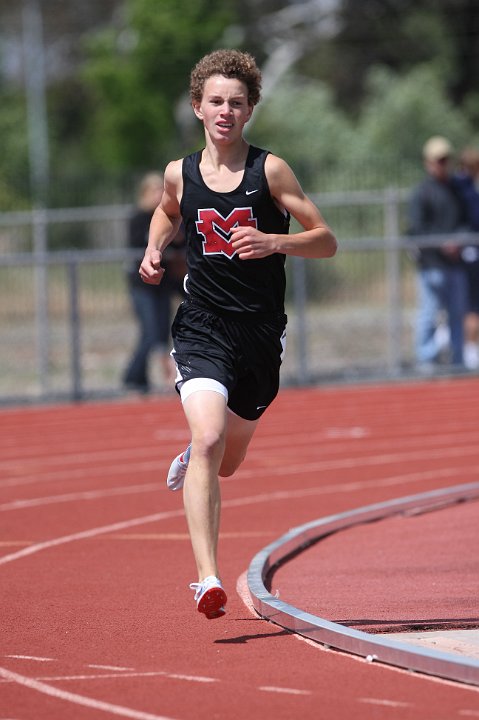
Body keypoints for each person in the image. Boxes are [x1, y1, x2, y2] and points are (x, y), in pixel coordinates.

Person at [139, 49, 337, 619]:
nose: (225, 111)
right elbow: (167, 211)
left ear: (249, 110)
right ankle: (207, 579)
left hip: (258, 333)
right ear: (198, 107)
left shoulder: (269, 171)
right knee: (207, 440)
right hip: (201, 324)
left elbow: (325, 239)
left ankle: (204, 449)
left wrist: (277, 242)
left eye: (237, 102)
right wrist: (154, 248)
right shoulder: (180, 171)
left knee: (225, 459)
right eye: (215, 101)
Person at [408, 136, 469, 371]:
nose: (443, 164)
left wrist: (458, 241)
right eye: (439, 160)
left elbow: (466, 222)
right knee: (429, 313)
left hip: (455, 264)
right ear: (428, 162)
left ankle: (458, 361)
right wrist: (441, 243)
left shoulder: (457, 190)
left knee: (457, 314)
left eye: (446, 159)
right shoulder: (422, 193)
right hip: (432, 265)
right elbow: (416, 229)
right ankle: (426, 360)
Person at [123, 172, 185, 393]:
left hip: (163, 284)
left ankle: (140, 379)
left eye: (162, 190)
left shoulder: (172, 216)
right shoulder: (139, 217)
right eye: (155, 191)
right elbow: (139, 248)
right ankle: (133, 377)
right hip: (142, 286)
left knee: (161, 330)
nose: (160, 194)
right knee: (149, 332)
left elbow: (182, 246)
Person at [454, 147, 479, 370]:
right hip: (469, 252)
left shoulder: (468, 187)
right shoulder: (462, 188)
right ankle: (469, 351)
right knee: (472, 304)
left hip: (471, 250)